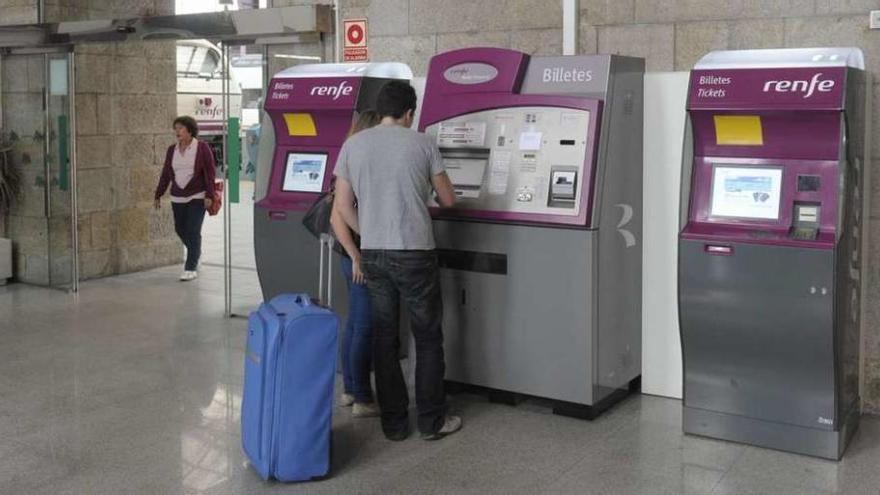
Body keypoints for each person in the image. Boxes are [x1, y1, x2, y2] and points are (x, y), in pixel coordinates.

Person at [333, 81, 460, 441]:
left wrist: (370, 230)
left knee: (384, 338)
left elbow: (342, 206)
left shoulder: (354, 145)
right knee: (427, 337)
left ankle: (394, 423)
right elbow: (448, 199)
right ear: (409, 113)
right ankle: (432, 421)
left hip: (374, 254)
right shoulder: (422, 142)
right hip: (416, 252)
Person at [331, 110, 382, 418]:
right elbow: (340, 214)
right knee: (364, 327)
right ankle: (363, 397)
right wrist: (358, 256)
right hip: (358, 256)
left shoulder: (346, 159)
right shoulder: (358, 164)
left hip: (348, 255)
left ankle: (350, 389)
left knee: (354, 325)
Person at [154, 116, 216, 281]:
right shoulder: (171, 150)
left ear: (190, 130)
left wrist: (209, 195)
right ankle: (196, 252)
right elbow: (166, 173)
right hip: (178, 196)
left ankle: (190, 267)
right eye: (176, 128)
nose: (177, 132)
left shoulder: (202, 148)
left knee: (193, 230)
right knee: (180, 229)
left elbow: (210, 173)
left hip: (197, 195)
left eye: (180, 128)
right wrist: (158, 193)